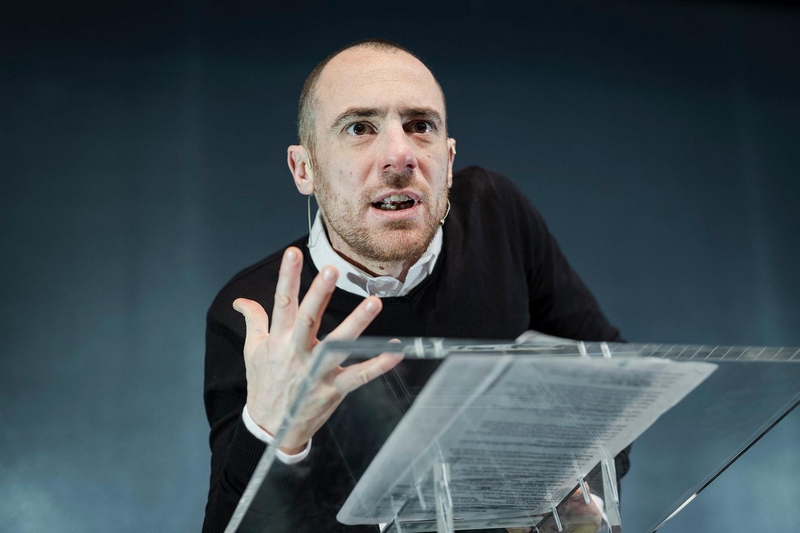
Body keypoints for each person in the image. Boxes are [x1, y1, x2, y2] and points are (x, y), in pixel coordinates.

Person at [202, 39, 625, 533]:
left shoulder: (496, 215)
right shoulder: (256, 318)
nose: (400, 155)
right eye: (359, 128)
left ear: (448, 160)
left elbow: (613, 374)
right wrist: (270, 432)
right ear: (305, 169)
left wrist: (577, 500)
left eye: (419, 126)